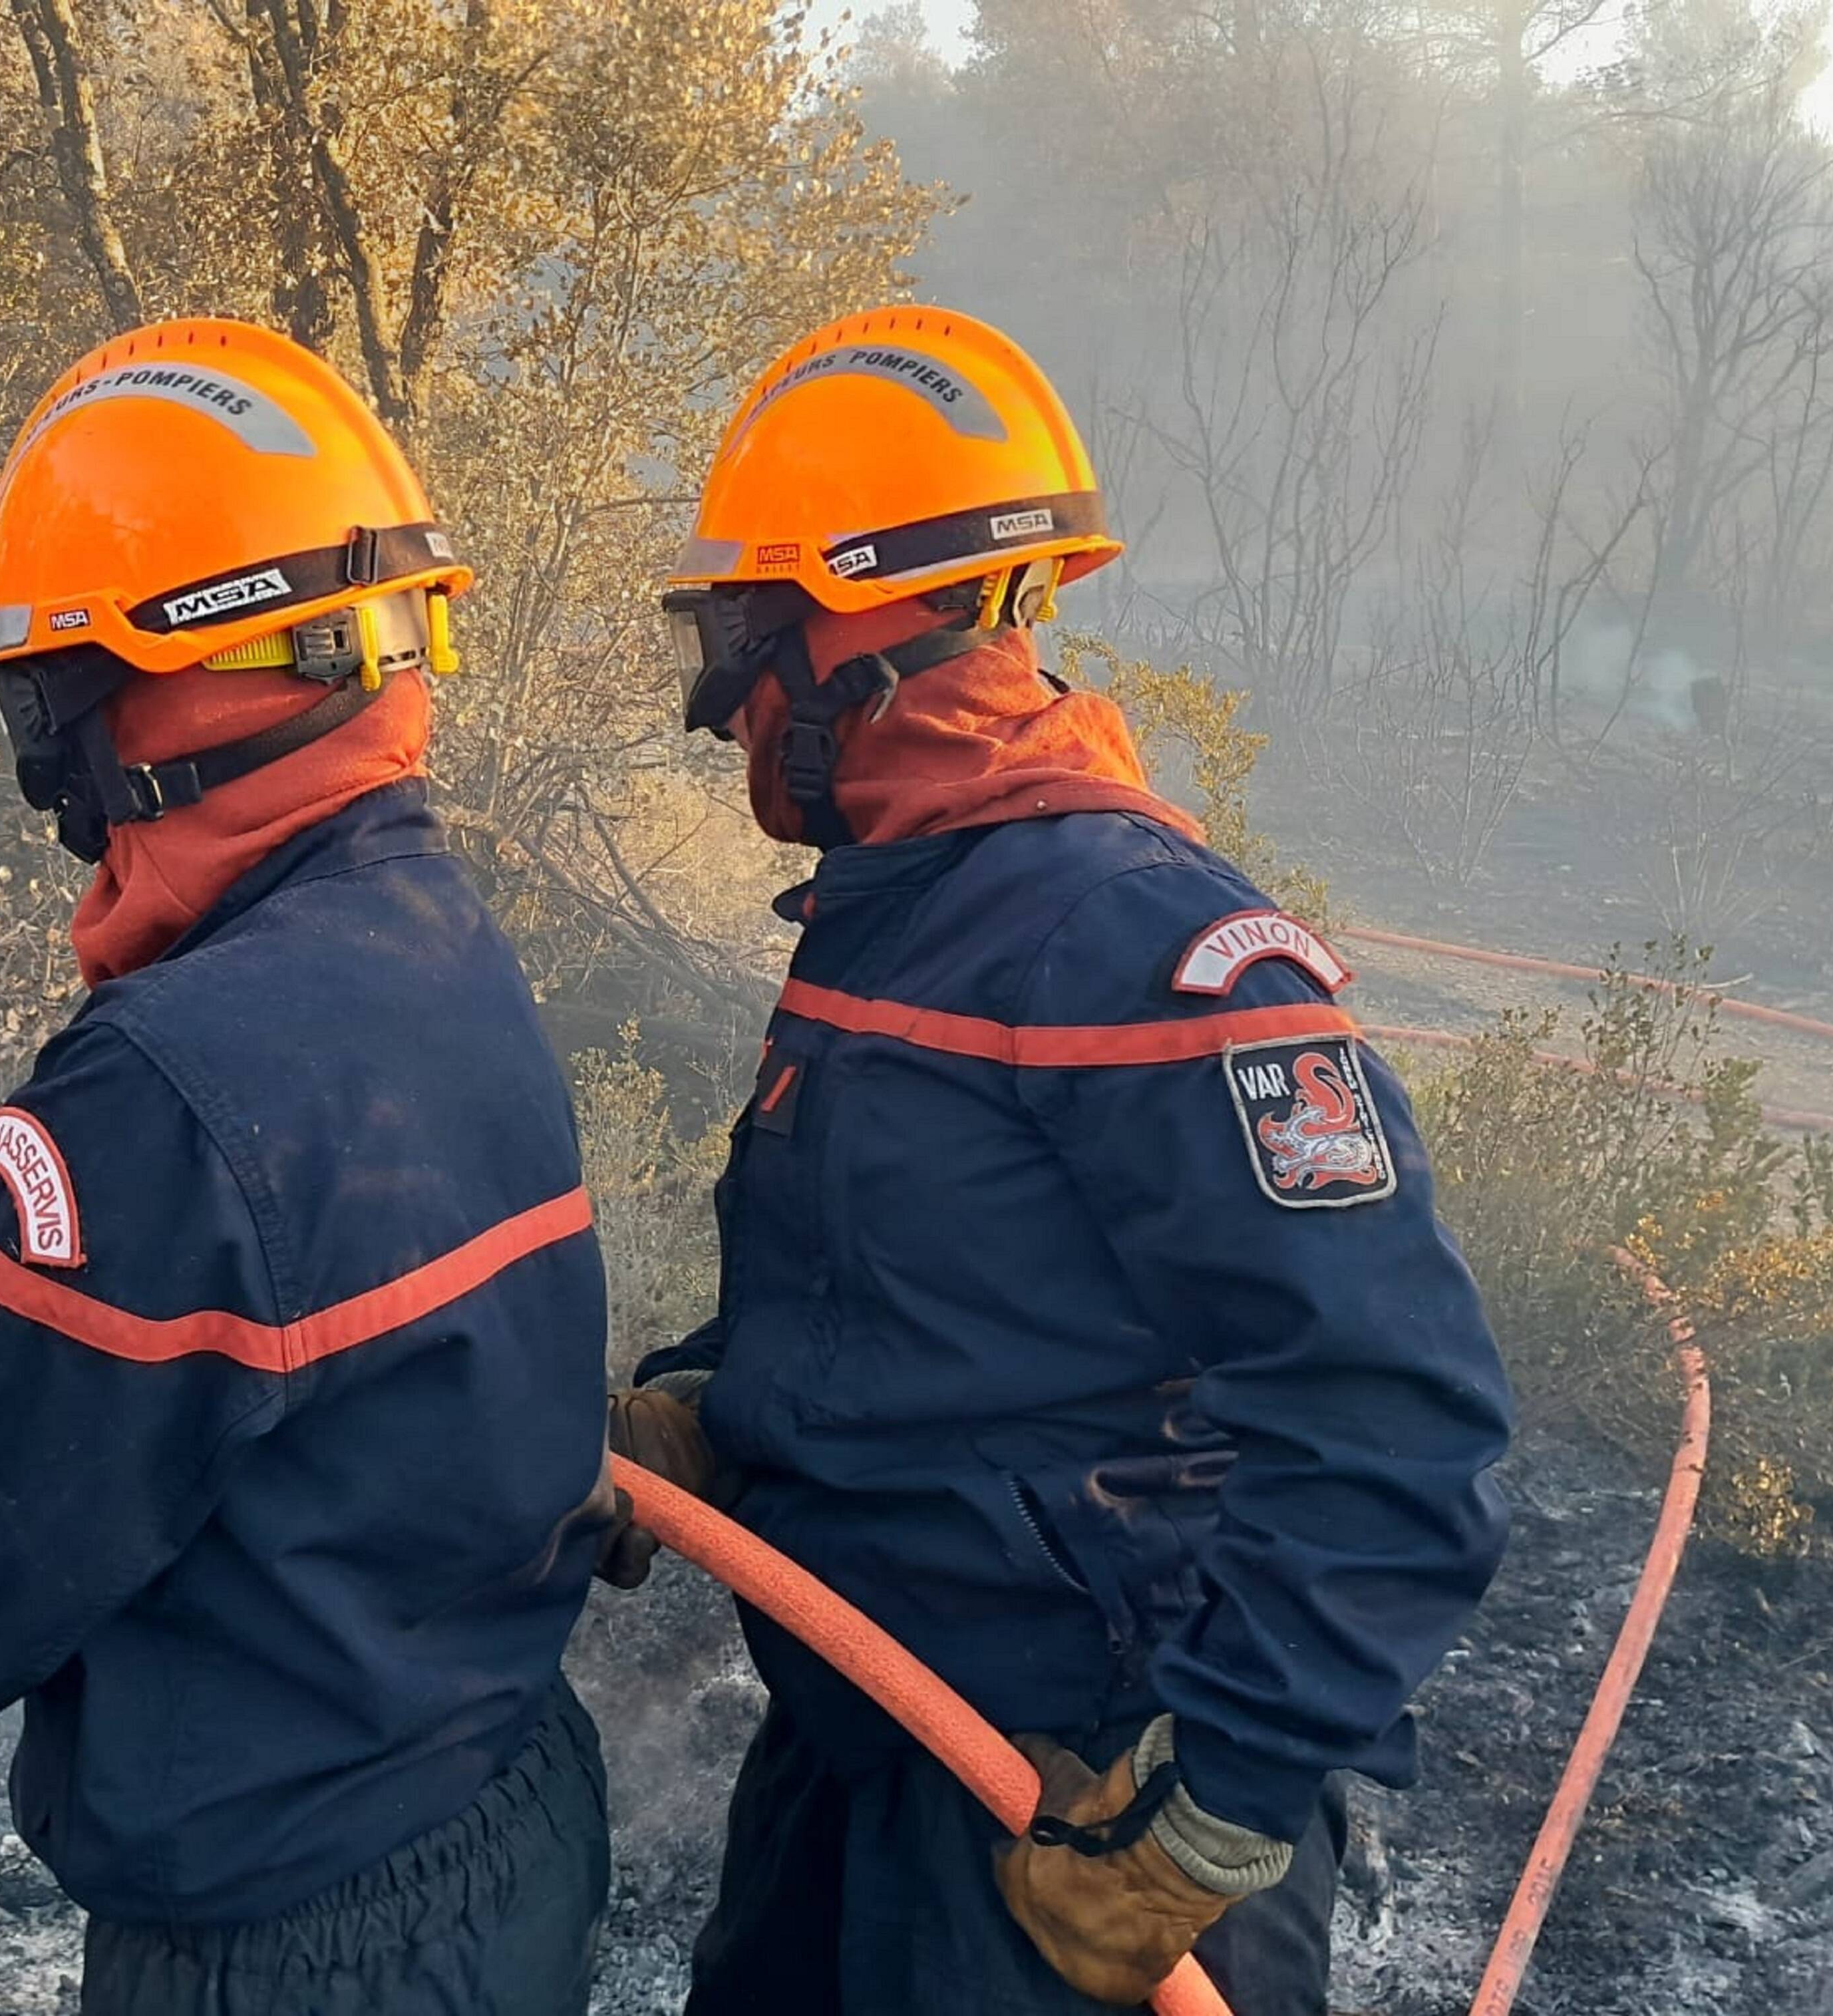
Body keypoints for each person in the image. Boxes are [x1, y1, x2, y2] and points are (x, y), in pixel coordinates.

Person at [606, 307, 1513, 2013]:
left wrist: (1212, 1819)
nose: (717, 698)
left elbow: (1397, 1417)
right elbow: (939, 1287)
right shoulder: (903, 912)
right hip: (868, 1734)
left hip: (1080, 1808)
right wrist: (711, 1410)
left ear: (852, 636)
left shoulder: (1137, 950)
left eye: (743, 632)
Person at [0, 319, 614, 2016]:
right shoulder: (428, 935)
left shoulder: (147, 1093)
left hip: (293, 1943)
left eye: (50, 692)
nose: (46, 754)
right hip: (502, 1817)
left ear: (150, 694)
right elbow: (293, 1324)